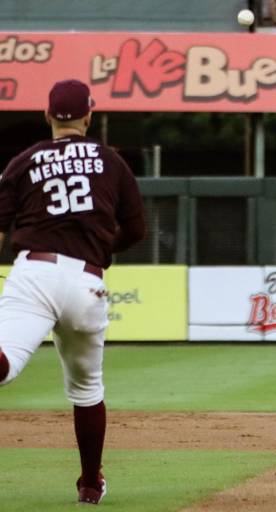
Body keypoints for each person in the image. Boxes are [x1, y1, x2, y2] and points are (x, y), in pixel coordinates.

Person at [0, 79, 145, 504]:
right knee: (87, 390)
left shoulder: (23, 161)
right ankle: (89, 485)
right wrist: (102, 246)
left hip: (35, 271)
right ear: (89, 115)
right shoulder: (111, 161)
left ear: (47, 115)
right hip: (86, 280)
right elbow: (136, 229)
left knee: (5, 367)